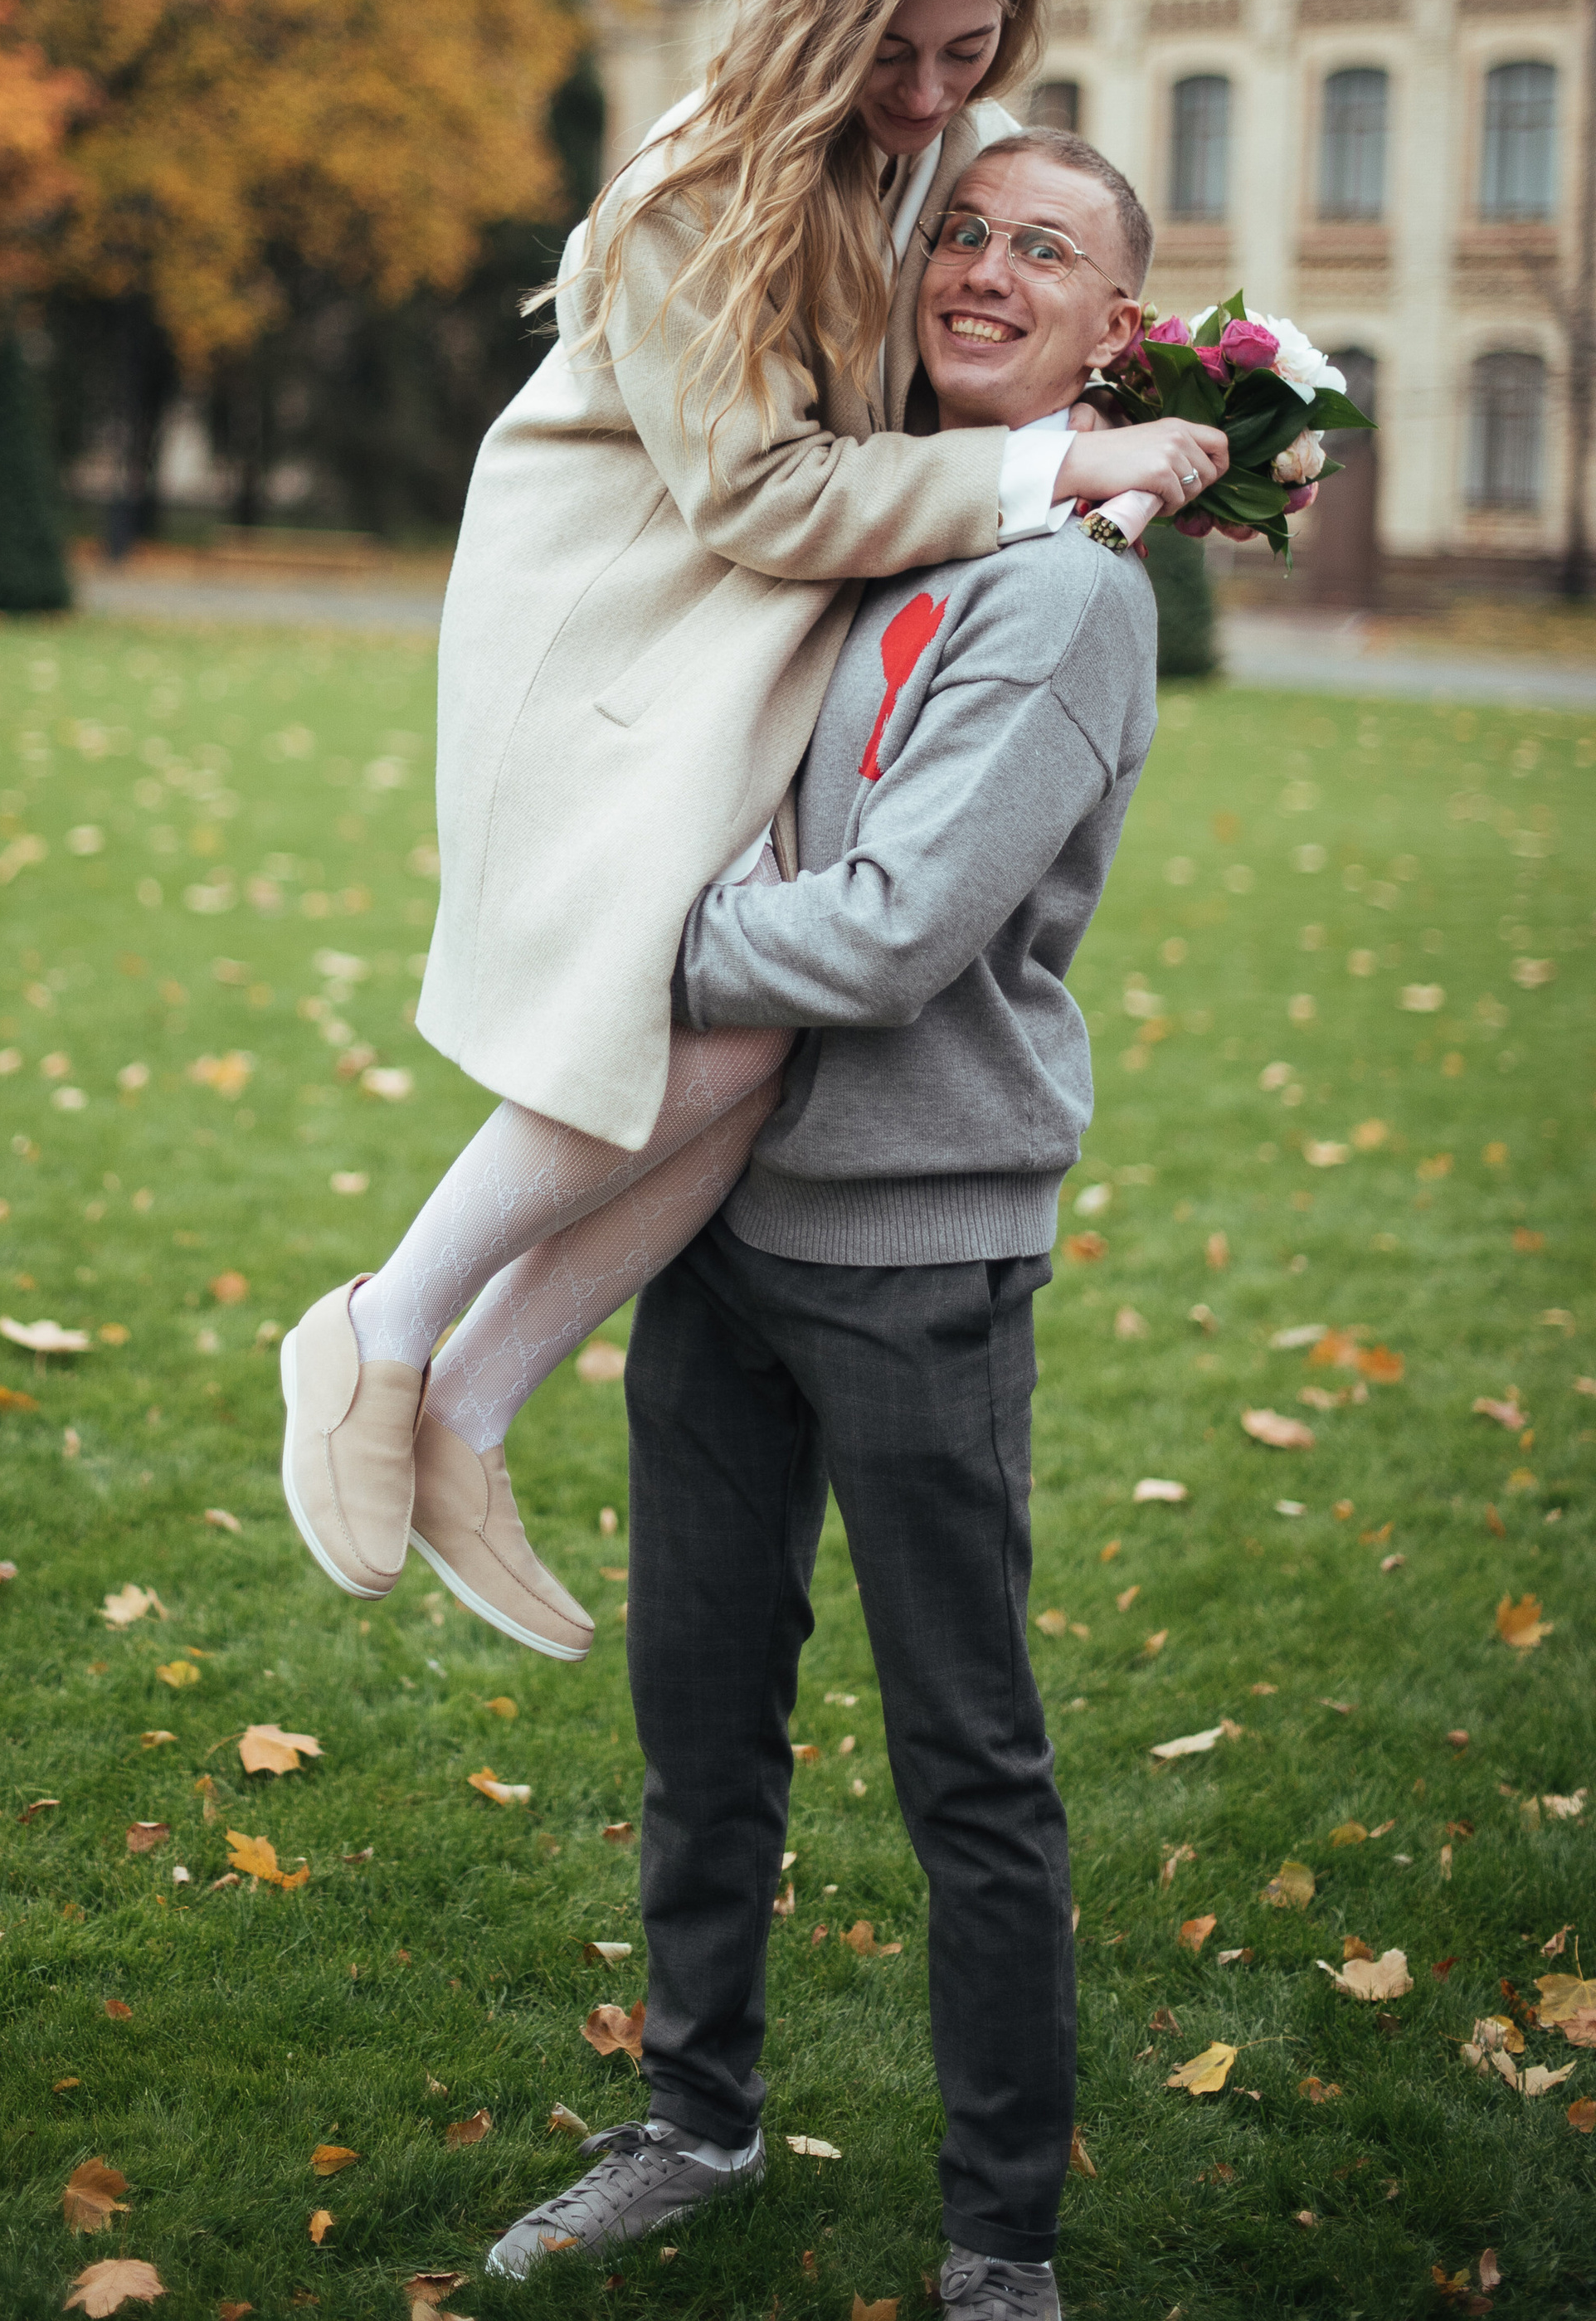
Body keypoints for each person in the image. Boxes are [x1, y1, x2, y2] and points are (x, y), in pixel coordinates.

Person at [278, 0, 1227, 1662]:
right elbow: (758, 488)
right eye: (903, 53)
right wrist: (1051, 468)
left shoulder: (934, 159)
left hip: (762, 635)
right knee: (704, 1031)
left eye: (971, 56)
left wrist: (1202, 423)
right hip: (622, 635)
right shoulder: (687, 197)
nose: (936, 99)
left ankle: (468, 1415)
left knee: (754, 1057)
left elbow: (1023, 300)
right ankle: (380, 1332)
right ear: (818, 7)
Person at [479, 129, 1165, 2321]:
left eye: (1041, 252)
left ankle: (999, 2246)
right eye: (962, 229)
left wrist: (614, 949)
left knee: (969, 1756)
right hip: (719, 1226)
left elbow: (882, 938)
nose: (980, 270)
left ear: (1112, 331)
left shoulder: (1062, 595)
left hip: (921, 1252)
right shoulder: (861, 500)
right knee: (702, 1714)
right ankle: (693, 2114)